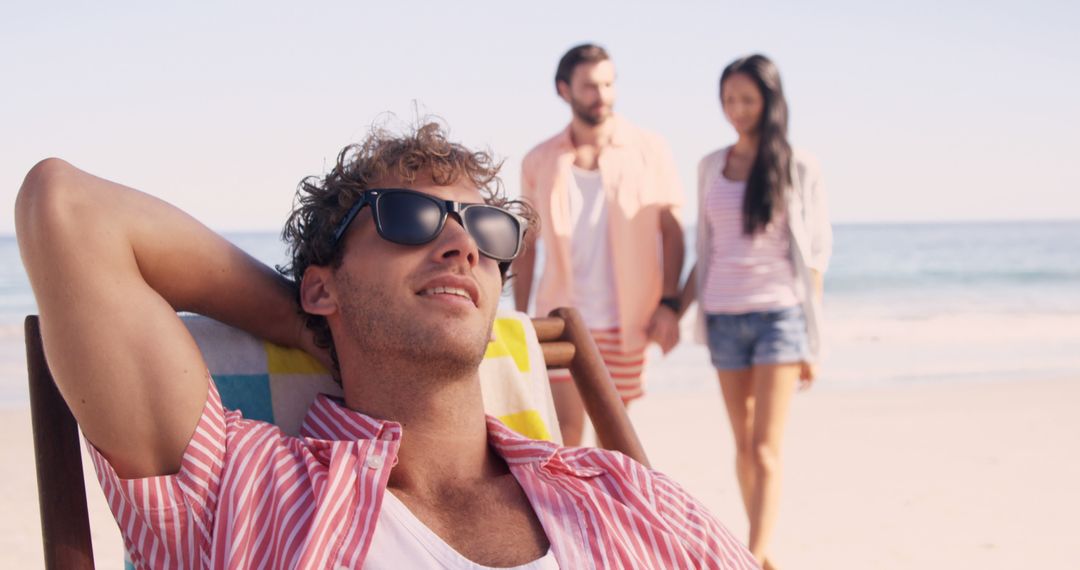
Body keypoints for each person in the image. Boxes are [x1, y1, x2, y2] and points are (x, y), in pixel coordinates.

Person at [16, 121, 758, 569]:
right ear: (321, 287)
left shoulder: (622, 492)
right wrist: (310, 328)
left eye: (489, 230)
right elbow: (68, 208)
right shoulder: (245, 485)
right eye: (410, 217)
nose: (464, 244)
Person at [679, 54, 833, 569]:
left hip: (780, 319)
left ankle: (758, 550)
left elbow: (815, 256)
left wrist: (813, 342)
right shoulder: (709, 166)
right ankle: (759, 544)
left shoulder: (797, 165)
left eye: (747, 99)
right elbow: (707, 251)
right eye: (729, 100)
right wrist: (671, 308)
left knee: (766, 446)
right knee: (742, 444)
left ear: (769, 100)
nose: (738, 110)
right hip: (723, 317)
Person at [515, 43, 685, 446]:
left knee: (619, 442)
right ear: (564, 90)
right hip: (561, 317)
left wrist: (670, 303)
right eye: (591, 85)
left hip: (626, 320)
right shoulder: (538, 159)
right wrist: (520, 320)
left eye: (609, 84)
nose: (602, 95)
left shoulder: (650, 149)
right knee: (567, 438)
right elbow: (528, 245)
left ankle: (614, 512)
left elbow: (673, 230)